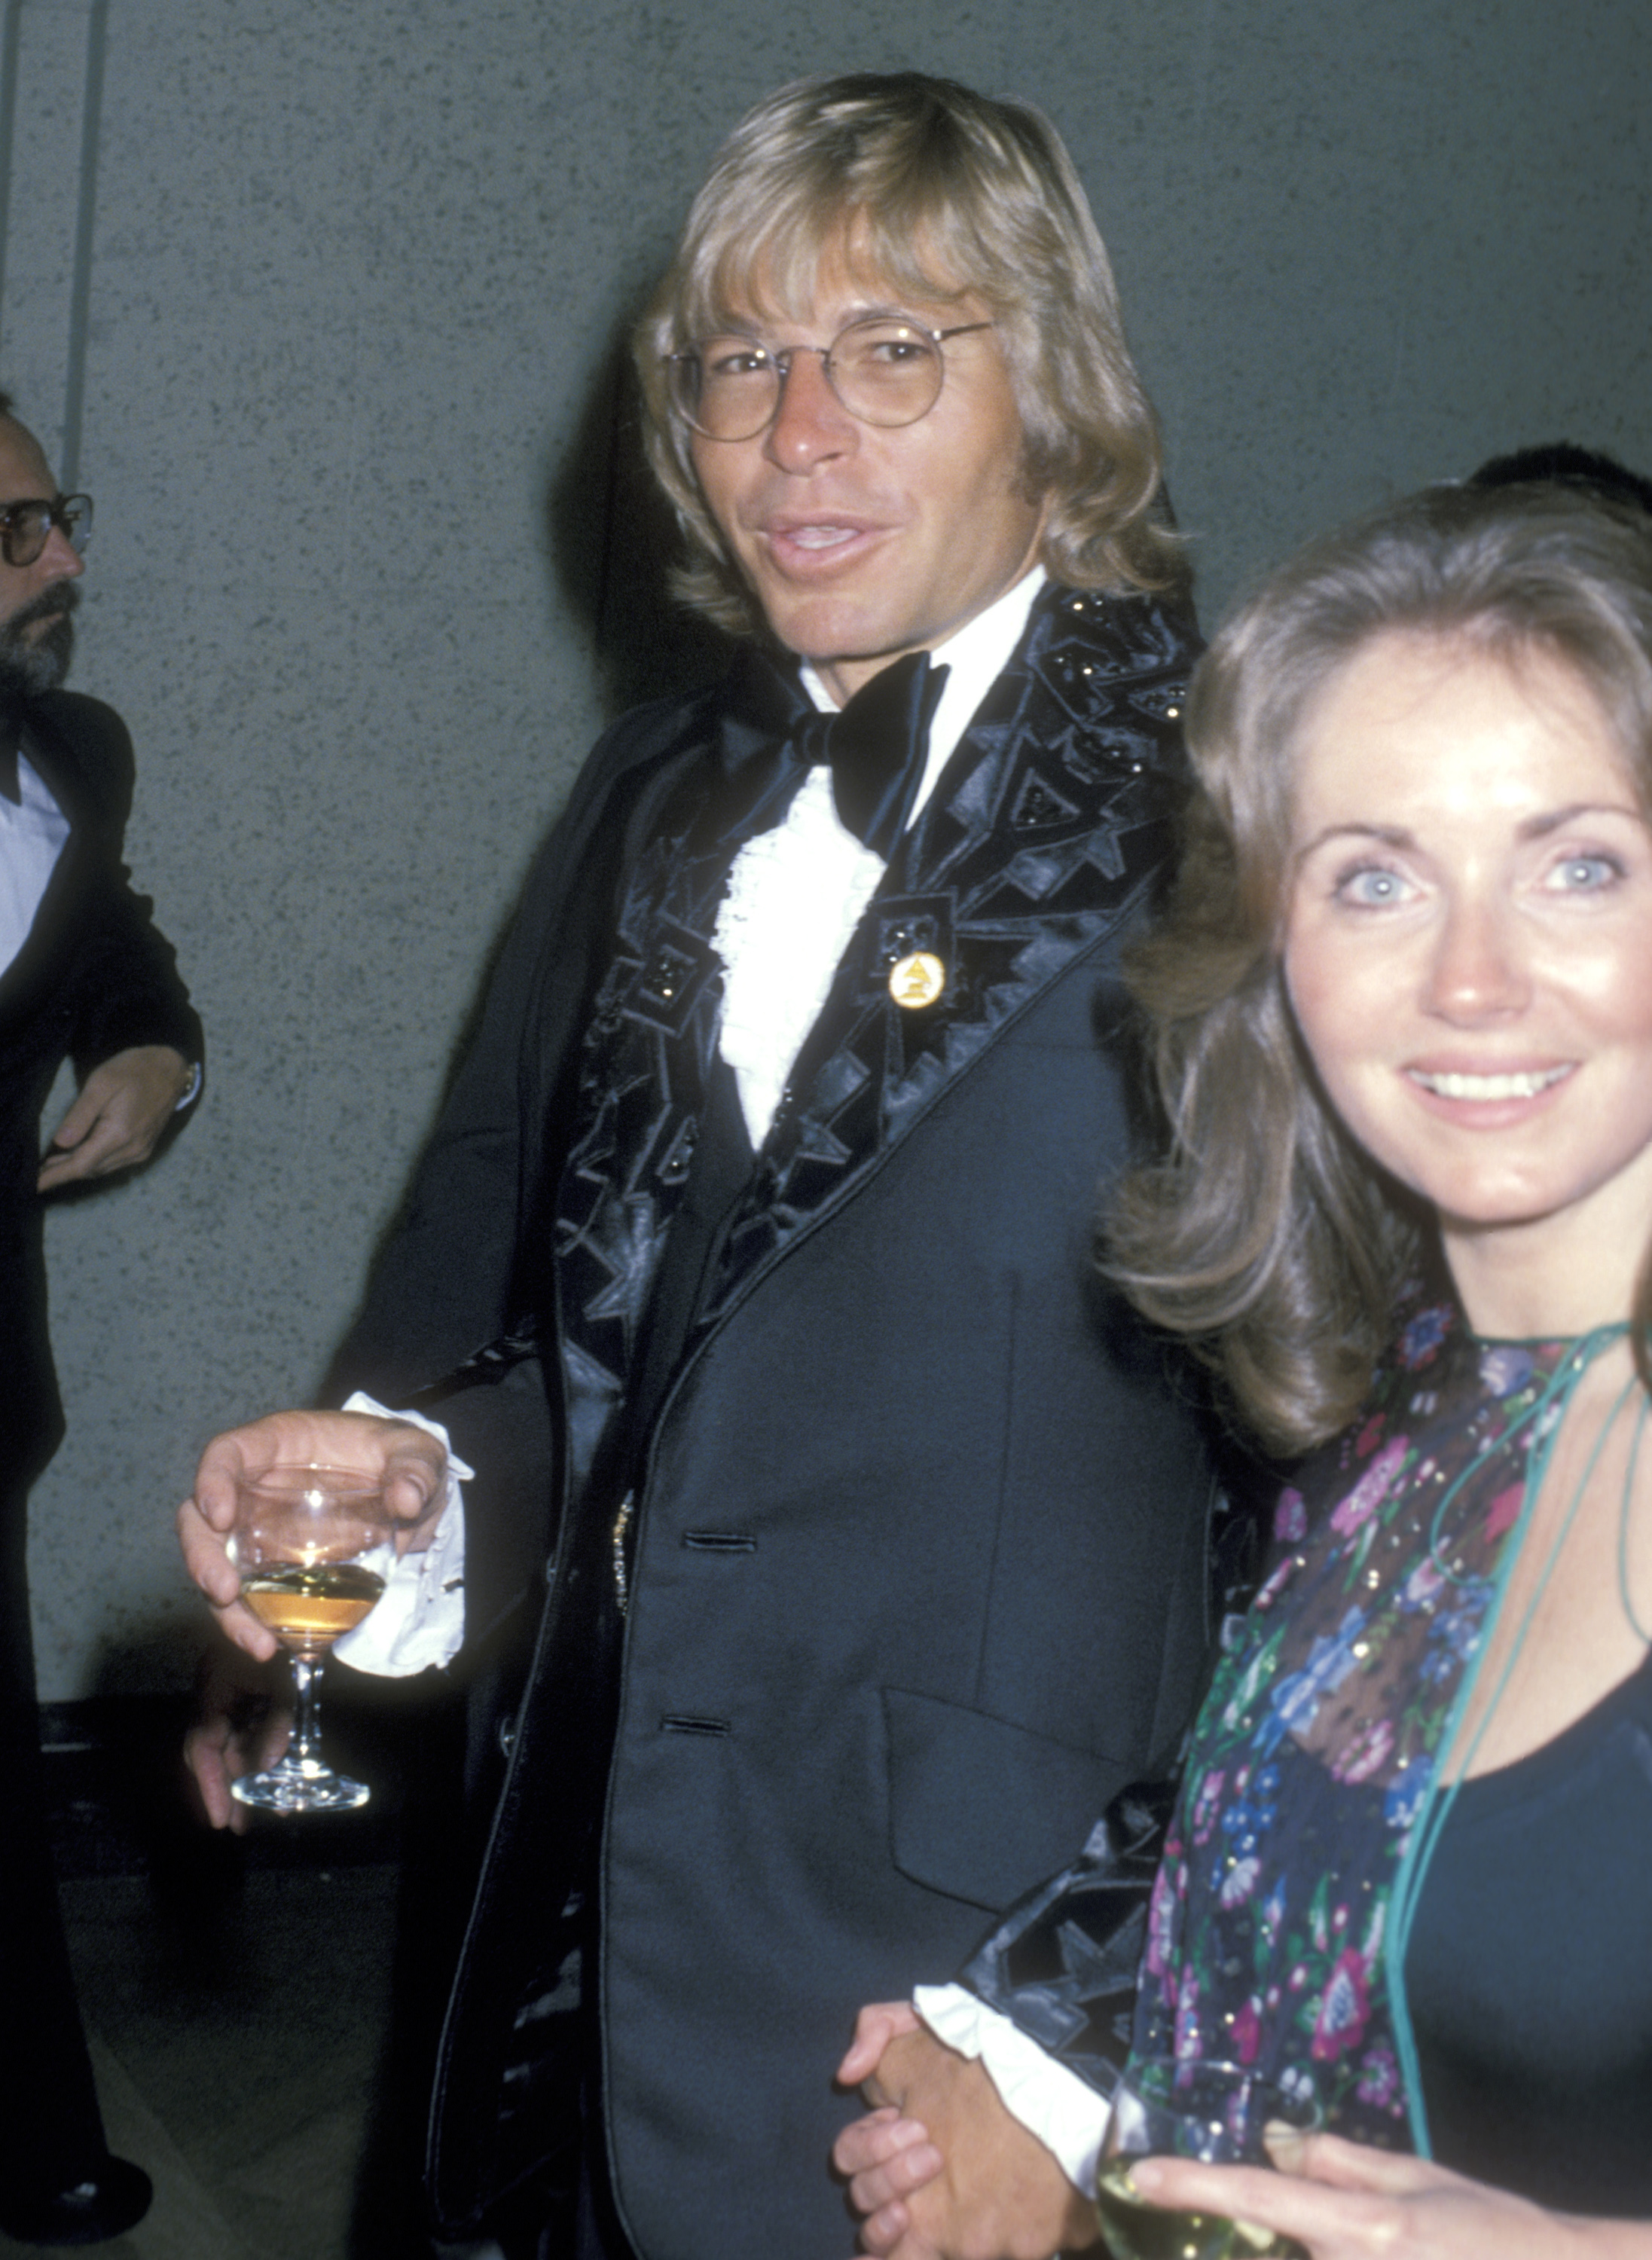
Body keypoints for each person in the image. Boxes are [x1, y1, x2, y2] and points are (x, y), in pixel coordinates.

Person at [178, 73, 1224, 2260]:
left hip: (961, 2012)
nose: (796, 433)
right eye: (742, 360)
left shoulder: (1245, 800)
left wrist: (1068, 2029)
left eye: (892, 351)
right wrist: (403, 1511)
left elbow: (1374, 1521)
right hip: (576, 1939)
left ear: (1053, 391)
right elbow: (572, 1321)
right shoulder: (654, 786)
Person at [845, 475, 1652, 2254]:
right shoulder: (1405, 1414)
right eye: (1372, 878)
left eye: (1575, 864)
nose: (1468, 979)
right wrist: (1046, 2099)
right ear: (1274, 958)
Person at [0, 394, 201, 2245]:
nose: (63, 562)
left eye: (58, 517)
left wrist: (154, 1050)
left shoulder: (74, 751)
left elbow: (113, 945)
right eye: (13, 537)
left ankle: (36, 2145)